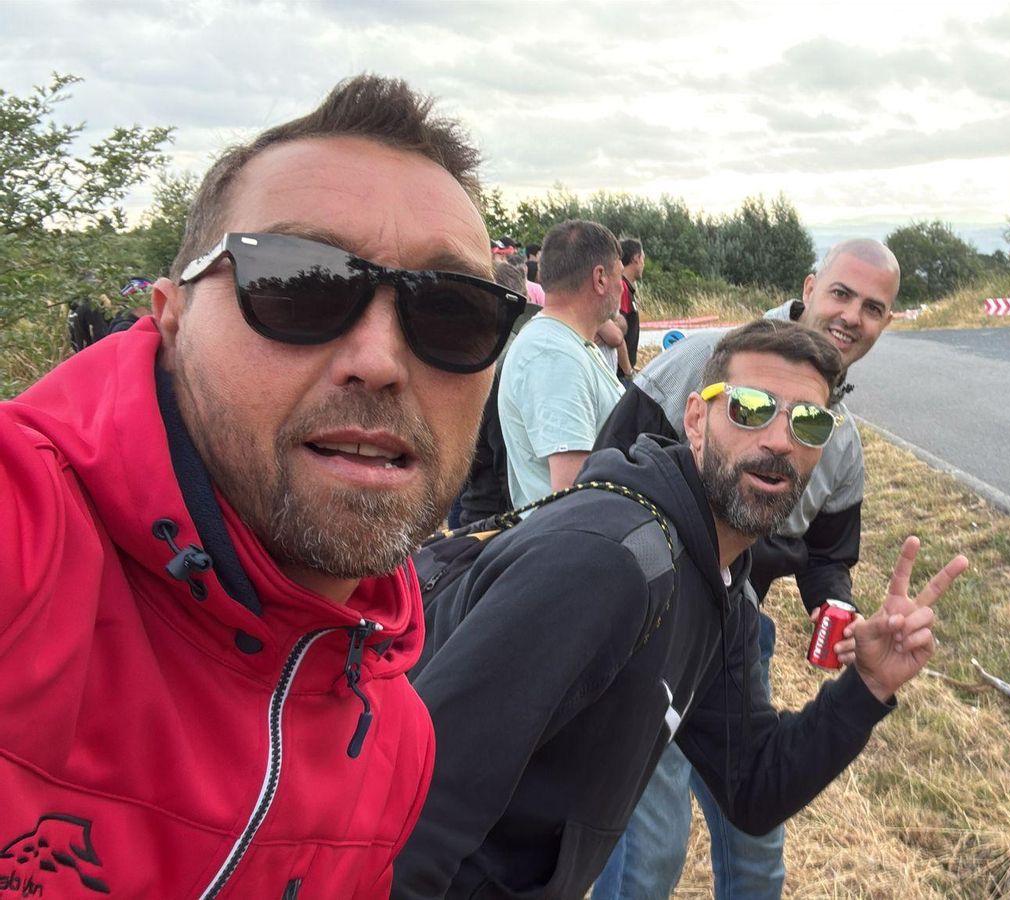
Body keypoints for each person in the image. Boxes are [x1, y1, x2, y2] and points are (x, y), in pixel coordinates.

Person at [0, 75, 524, 895]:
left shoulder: (395, 743)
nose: (381, 361)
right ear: (171, 318)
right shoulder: (28, 533)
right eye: (298, 285)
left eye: (453, 312)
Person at [393, 319, 967, 898]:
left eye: (809, 422)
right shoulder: (608, 563)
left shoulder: (721, 584)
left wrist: (867, 687)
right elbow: (409, 806)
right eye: (749, 407)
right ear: (696, 419)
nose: (778, 440)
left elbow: (753, 786)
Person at [591, 238, 900, 899]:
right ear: (810, 287)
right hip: (646, 636)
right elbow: (608, 469)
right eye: (842, 294)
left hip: (734, 639)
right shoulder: (713, 360)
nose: (852, 316)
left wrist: (836, 610)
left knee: (757, 849)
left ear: (887, 323)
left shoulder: (838, 439)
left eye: (872, 307)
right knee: (651, 849)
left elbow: (828, 556)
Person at [498, 219, 626, 502]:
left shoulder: (567, 343)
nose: (622, 286)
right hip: (580, 541)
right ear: (601, 278)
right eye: (620, 275)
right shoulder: (553, 356)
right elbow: (573, 494)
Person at [451, 259, 535, 528]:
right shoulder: (505, 359)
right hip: (492, 518)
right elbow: (506, 458)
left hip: (471, 501)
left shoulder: (466, 347)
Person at [619, 238, 645, 370]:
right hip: (621, 373)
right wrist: (627, 370)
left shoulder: (627, 288)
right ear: (636, 258)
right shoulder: (622, 287)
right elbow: (618, 333)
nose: (643, 265)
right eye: (642, 260)